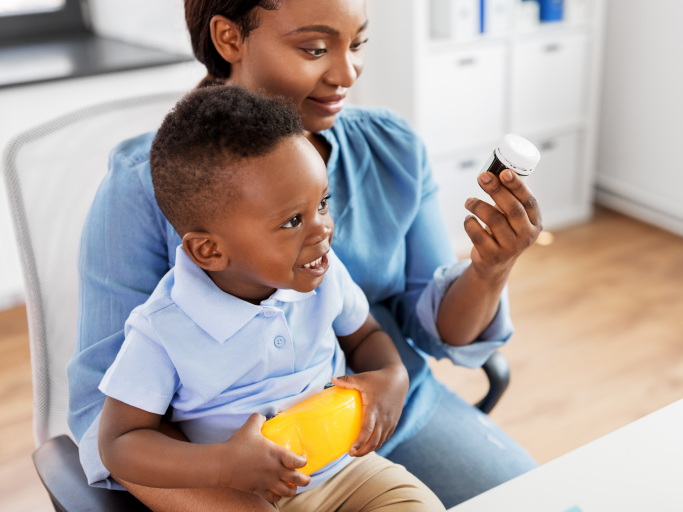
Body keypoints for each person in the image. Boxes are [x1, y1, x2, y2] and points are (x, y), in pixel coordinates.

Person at [68, 0, 542, 510]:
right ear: (230, 38)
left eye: (357, 43)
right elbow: (110, 422)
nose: (347, 72)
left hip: (375, 418)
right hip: (230, 463)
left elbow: (430, 331)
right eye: (314, 48)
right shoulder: (148, 188)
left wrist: (489, 269)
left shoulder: (392, 147)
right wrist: (225, 471)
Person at [96, 85, 445, 512]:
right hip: (243, 495)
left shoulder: (324, 273)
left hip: (347, 472)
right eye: (293, 220)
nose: (322, 230)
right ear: (210, 250)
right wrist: (220, 466)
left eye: (323, 204)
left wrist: (392, 376)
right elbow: (119, 442)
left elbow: (365, 334)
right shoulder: (163, 327)